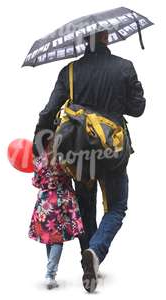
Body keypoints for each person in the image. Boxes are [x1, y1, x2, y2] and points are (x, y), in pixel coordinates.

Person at [32, 30, 146, 292]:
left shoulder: (70, 72)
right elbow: (137, 108)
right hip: (113, 152)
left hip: (79, 154)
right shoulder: (124, 67)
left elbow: (48, 112)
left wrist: (39, 148)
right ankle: (95, 251)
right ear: (107, 37)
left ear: (85, 41)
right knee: (117, 206)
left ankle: (89, 263)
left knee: (86, 207)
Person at [29, 141, 84, 289]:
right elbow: (76, 175)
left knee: (50, 237)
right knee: (56, 238)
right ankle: (50, 274)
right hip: (62, 199)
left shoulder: (39, 158)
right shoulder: (66, 156)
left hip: (46, 201)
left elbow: (35, 182)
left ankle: (50, 273)